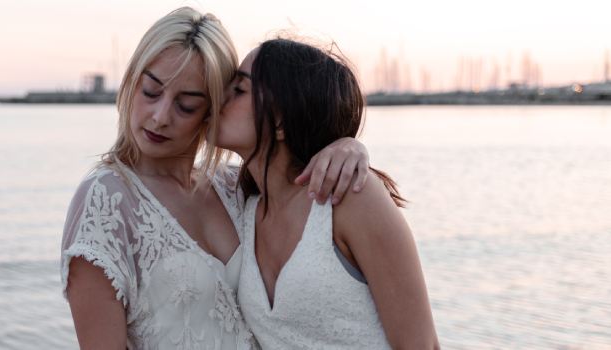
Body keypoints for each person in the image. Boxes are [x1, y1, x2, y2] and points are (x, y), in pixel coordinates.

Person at [60, 8, 371, 349]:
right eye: (151, 91)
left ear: (214, 108)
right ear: (132, 81)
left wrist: (347, 145)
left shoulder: (238, 188)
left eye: (187, 105)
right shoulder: (105, 200)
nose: (161, 117)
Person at [218, 39, 439, 349]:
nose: (219, 97)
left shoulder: (350, 199)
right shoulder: (242, 205)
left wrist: (351, 145)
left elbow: (421, 345)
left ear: (281, 120)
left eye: (239, 90)